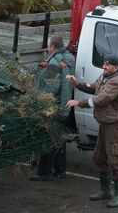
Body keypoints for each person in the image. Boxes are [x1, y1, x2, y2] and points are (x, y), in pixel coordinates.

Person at [66, 54, 118, 208]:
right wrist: (77, 84)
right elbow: (93, 87)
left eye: (107, 65)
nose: (103, 67)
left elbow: (102, 99)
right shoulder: (105, 76)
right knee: (100, 157)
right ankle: (105, 190)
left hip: (117, 124)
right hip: (106, 123)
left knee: (115, 158)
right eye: (104, 64)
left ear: (115, 66)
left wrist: (78, 102)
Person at [30, 36, 75, 182]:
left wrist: (39, 98)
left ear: (52, 47)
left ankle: (44, 173)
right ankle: (60, 170)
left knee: (48, 138)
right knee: (59, 138)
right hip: (65, 105)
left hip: (54, 106)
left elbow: (52, 86)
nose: (48, 49)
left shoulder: (55, 61)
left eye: (48, 46)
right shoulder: (68, 58)